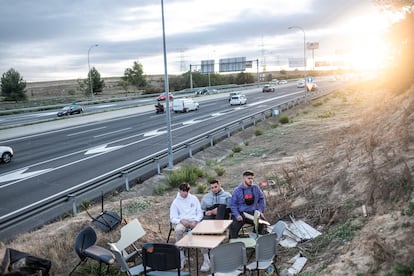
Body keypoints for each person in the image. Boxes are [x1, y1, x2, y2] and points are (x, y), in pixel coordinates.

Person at [169, 182, 205, 270]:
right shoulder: (176, 202)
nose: (185, 193)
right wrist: (180, 221)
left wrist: (196, 221)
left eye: (186, 191)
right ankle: (181, 257)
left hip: (194, 221)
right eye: (183, 191)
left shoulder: (194, 198)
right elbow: (172, 217)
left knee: (202, 231)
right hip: (182, 222)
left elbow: (200, 212)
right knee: (178, 230)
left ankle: (206, 257)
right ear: (179, 190)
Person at [229, 170, 266, 239]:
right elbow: (233, 205)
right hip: (241, 213)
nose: (251, 180)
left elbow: (261, 199)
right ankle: (232, 244)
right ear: (244, 178)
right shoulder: (237, 190)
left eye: (252, 178)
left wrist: (260, 210)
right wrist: (237, 215)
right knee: (233, 227)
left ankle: (255, 240)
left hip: (252, 213)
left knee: (261, 223)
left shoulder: (256, 188)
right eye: (249, 178)